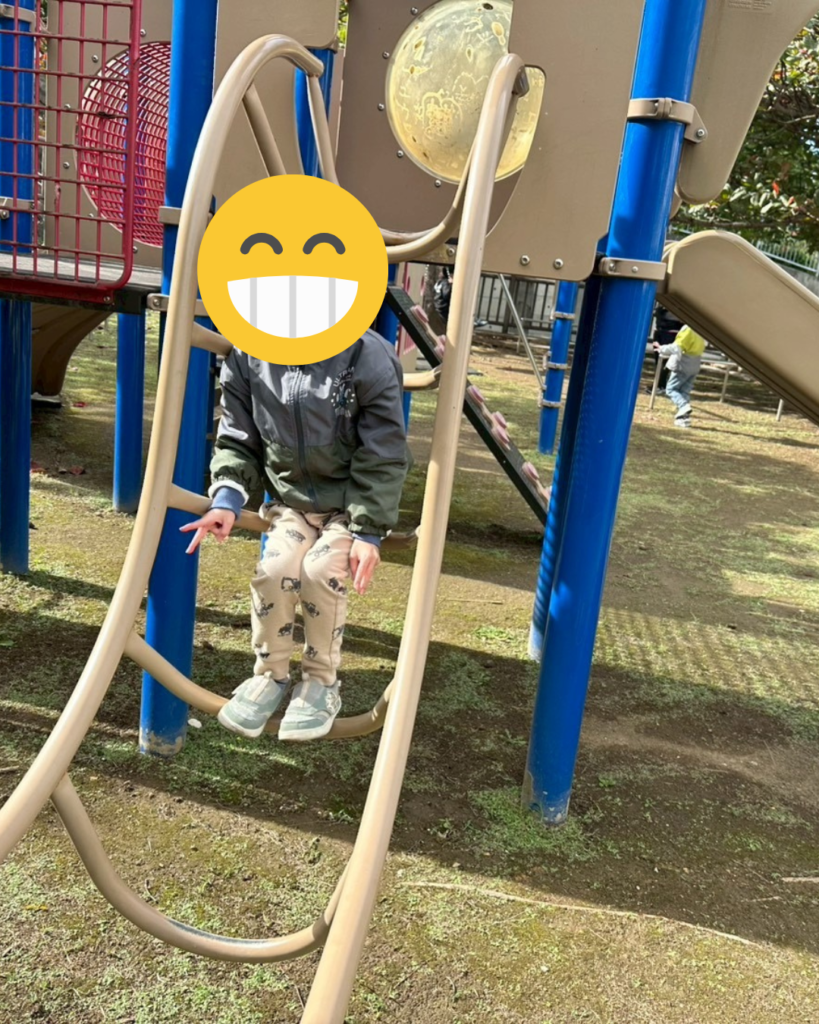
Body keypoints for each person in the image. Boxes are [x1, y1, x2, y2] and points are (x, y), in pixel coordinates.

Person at [181, 333, 409, 742]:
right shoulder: (250, 353)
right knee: (275, 569)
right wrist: (227, 498)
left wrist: (368, 530)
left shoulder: (365, 354)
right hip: (292, 503)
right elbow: (237, 437)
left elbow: (383, 450)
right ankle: (270, 675)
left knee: (319, 571)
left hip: (350, 507)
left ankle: (321, 682)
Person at [653, 323, 706, 428]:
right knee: (684, 391)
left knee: (671, 389)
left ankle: (683, 406)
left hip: (683, 364)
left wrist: (661, 348)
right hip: (695, 364)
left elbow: (676, 347)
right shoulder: (700, 328)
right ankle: (684, 418)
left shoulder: (688, 329)